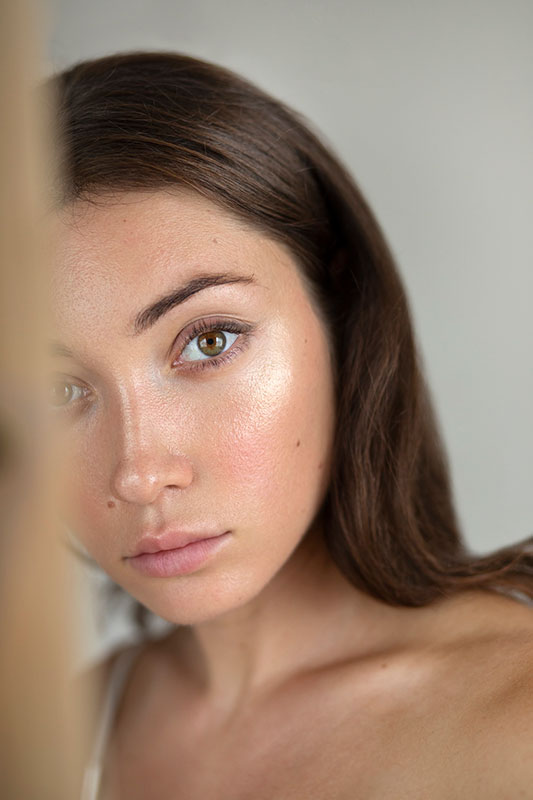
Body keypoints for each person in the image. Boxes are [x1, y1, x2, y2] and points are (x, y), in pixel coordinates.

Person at [49, 51, 533, 799]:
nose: (139, 472)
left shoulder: (515, 721)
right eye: (58, 389)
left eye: (209, 340)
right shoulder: (55, 739)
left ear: (338, 309)